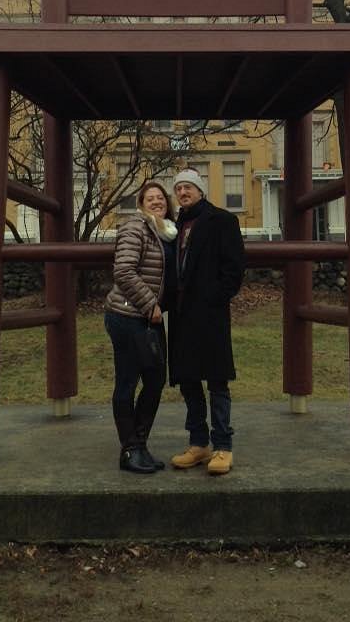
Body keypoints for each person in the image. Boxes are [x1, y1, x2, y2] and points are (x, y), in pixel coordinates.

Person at [169, 167, 245, 475]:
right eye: (178, 189)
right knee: (188, 380)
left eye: (188, 187)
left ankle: (223, 446)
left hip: (210, 314)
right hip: (182, 315)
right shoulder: (175, 225)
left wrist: (215, 298)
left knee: (216, 380)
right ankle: (198, 443)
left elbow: (235, 267)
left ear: (201, 190)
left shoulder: (222, 220)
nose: (183, 193)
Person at [104, 181, 177, 474]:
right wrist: (150, 305)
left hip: (149, 319)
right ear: (141, 203)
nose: (157, 202)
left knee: (156, 379)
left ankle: (139, 445)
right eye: (151, 198)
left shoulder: (166, 231)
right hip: (127, 316)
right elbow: (123, 270)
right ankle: (130, 450)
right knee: (127, 382)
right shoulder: (136, 227)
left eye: (161, 198)